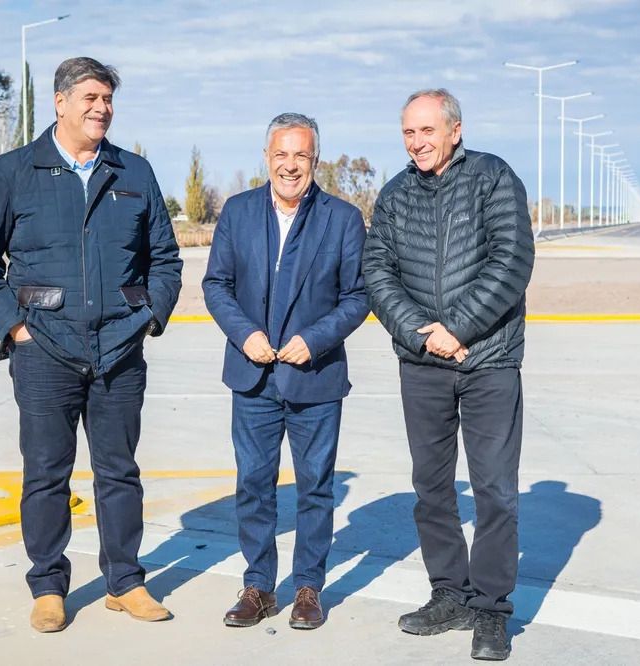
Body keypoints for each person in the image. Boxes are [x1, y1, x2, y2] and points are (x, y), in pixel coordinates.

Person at [0, 57, 182, 633]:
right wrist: (15, 327)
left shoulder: (134, 172)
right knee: (46, 474)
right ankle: (49, 586)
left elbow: (166, 259)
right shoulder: (13, 171)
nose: (101, 108)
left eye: (107, 98)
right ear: (59, 103)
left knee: (119, 472)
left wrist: (150, 316)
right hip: (44, 351)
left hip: (119, 351)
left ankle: (125, 581)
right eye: (89, 97)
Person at [362, 88, 534, 660]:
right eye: (409, 133)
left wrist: (457, 329)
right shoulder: (394, 194)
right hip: (422, 364)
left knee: (495, 492)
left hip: (489, 362)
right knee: (432, 490)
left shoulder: (493, 178)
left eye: (427, 131)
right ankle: (449, 594)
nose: (417, 143)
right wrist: (420, 332)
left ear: (455, 130)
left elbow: (511, 260)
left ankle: (489, 610)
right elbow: (377, 271)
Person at [202, 112, 369, 630]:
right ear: (267, 157)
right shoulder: (238, 211)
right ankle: (258, 586)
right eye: (281, 154)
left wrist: (313, 340)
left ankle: (307, 588)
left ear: (315, 160)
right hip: (252, 376)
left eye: (301, 155)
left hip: (315, 378)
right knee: (253, 483)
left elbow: (358, 296)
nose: (290, 165)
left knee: (316, 485)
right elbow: (216, 285)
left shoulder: (342, 218)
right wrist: (244, 334)